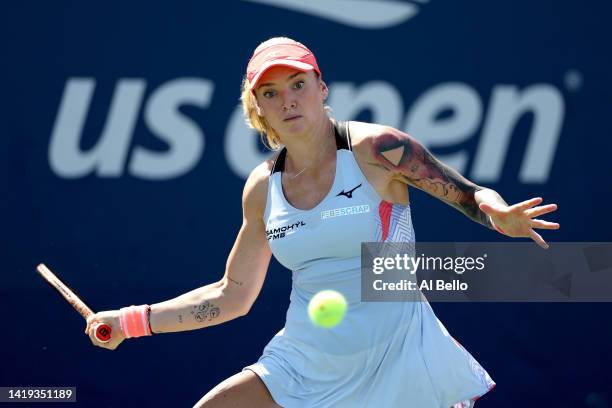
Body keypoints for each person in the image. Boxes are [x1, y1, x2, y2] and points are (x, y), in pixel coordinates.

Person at [85, 37, 560, 407]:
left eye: (298, 84)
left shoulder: (378, 149)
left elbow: (470, 195)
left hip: (396, 355)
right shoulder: (261, 188)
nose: (288, 100)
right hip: (304, 361)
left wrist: (499, 216)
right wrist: (131, 322)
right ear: (259, 109)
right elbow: (231, 294)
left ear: (321, 88)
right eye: (270, 93)